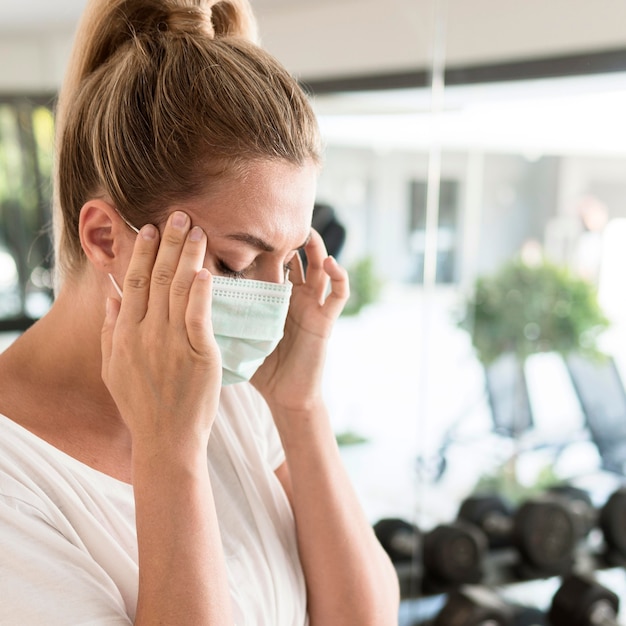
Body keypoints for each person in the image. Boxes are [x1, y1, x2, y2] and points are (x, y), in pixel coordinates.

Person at [0, 0, 400, 624]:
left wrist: (298, 407)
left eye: (288, 259)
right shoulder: (15, 484)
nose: (276, 298)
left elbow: (361, 617)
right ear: (106, 237)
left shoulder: (234, 396)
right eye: (237, 265)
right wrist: (168, 450)